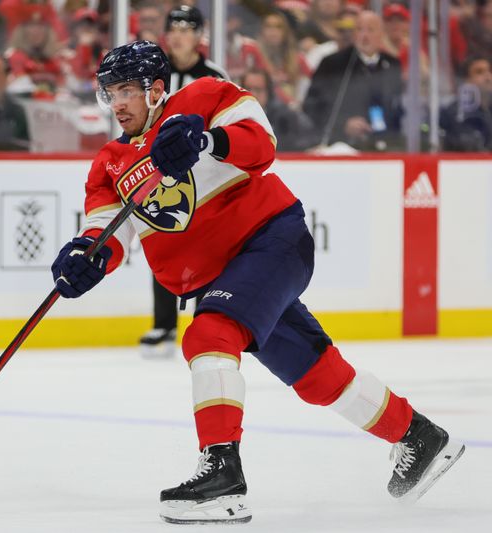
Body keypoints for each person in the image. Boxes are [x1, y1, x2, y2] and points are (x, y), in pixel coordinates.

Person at [49, 40, 465, 524]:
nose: (117, 104)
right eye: (108, 93)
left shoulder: (204, 97)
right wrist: (87, 258)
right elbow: (105, 231)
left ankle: (223, 473)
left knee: (209, 333)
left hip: (272, 241)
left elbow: (261, 143)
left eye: (126, 91)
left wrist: (208, 140)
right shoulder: (108, 164)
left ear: (156, 90)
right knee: (316, 375)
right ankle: (419, 438)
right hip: (223, 278)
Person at [138, 4, 228, 359]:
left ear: (198, 35)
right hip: (162, 173)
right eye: (172, 28)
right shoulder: (156, 75)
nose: (177, 35)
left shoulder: (214, 74)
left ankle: (206, 320)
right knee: (163, 241)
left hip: (205, 174)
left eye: (185, 28)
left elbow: (227, 122)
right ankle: (164, 324)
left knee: (209, 248)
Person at [303, 10, 403, 150]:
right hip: (341, 144)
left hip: (386, 145)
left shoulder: (393, 65)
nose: (364, 35)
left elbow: (400, 107)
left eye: (370, 30)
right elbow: (312, 106)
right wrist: (343, 124)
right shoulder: (332, 64)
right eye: (359, 29)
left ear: (381, 34)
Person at [240, 67, 318, 151]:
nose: (253, 94)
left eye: (258, 89)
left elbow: (306, 141)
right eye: (248, 89)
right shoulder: (233, 117)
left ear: (268, 91)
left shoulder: (285, 117)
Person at [441, 55, 492, 152]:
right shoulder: (454, 113)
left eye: (490, 71)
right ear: (467, 80)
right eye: (479, 72)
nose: (487, 77)